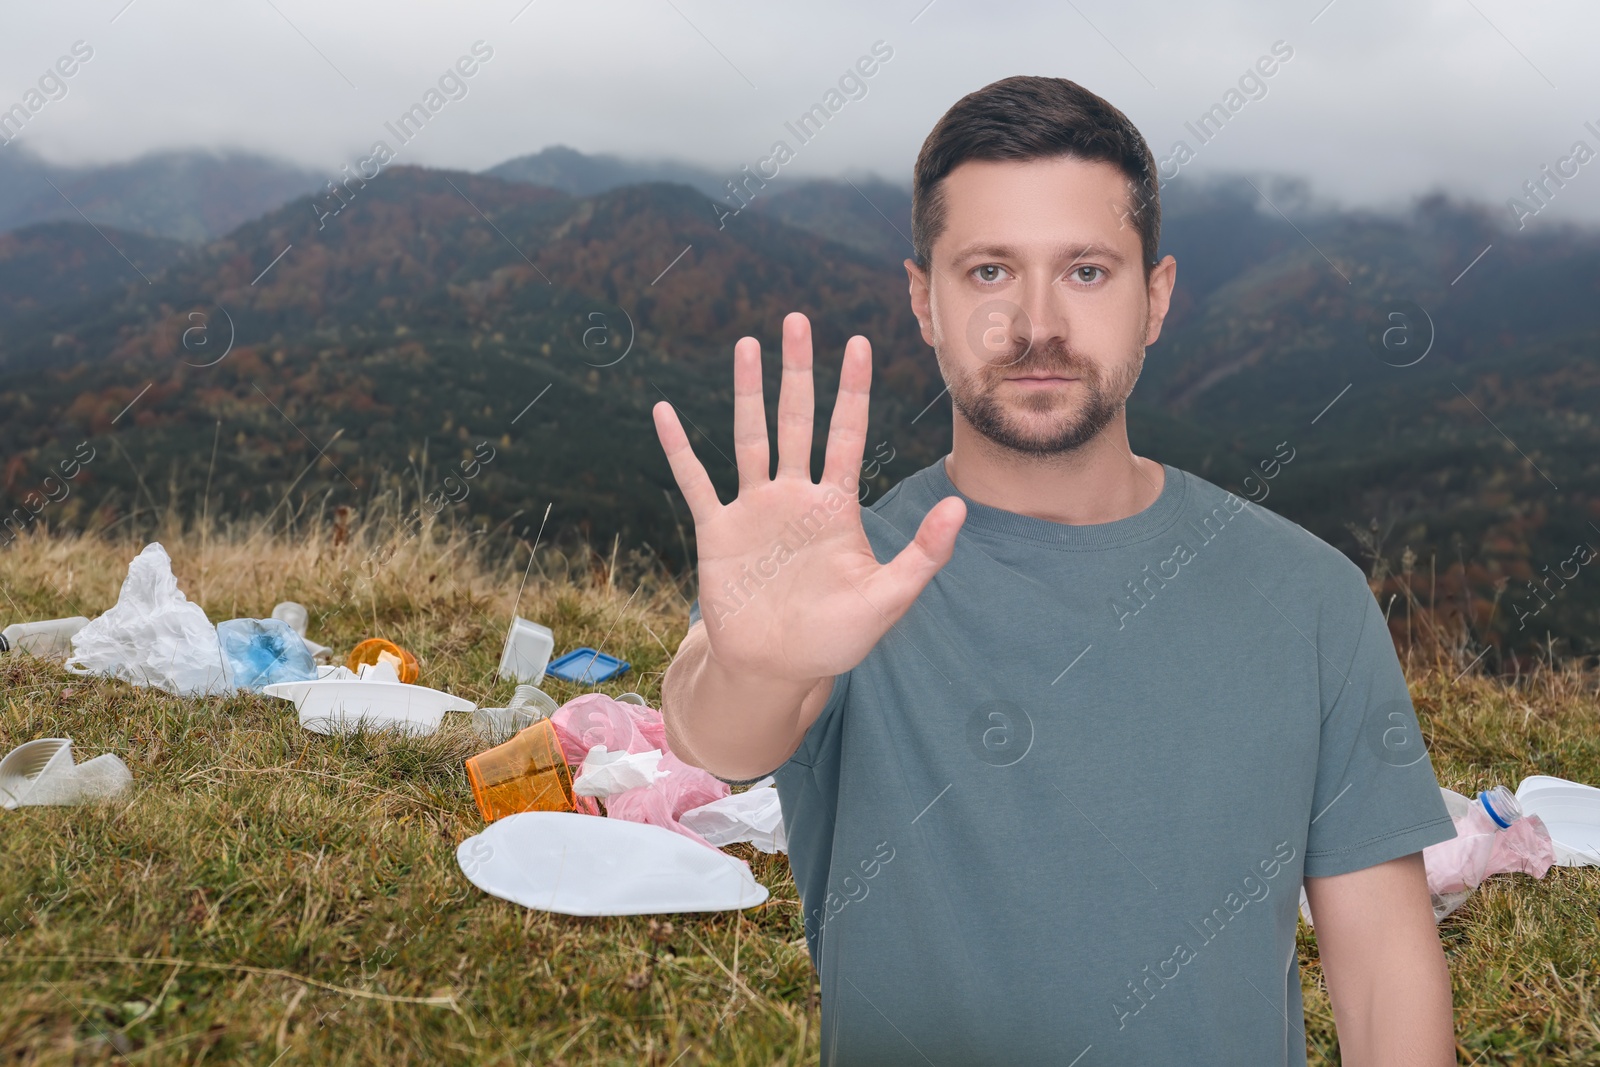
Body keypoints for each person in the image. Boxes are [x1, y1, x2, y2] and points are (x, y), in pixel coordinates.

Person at [653, 75, 1457, 1066]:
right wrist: (754, 664)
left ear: (1153, 297)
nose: (1035, 324)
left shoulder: (1310, 598)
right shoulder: (848, 579)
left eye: (1085, 271)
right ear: (925, 300)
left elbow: (1381, 962)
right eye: (989, 271)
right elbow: (713, 730)